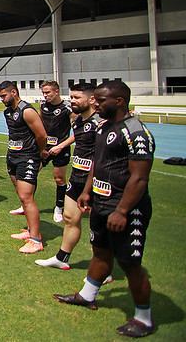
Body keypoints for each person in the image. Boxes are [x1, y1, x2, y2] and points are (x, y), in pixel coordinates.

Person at [54, 81, 156, 338]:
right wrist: (88, 190)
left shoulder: (136, 132)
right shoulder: (104, 126)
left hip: (125, 208)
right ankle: (87, 295)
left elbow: (139, 179)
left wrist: (122, 211)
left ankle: (144, 318)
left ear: (119, 101)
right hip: (100, 202)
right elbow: (97, 164)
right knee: (100, 252)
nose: (95, 104)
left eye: (101, 101)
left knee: (130, 264)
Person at [37, 83, 100, 270]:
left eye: (77, 97)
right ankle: (62, 257)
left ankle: (103, 268)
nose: (72, 101)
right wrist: (63, 145)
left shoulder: (101, 123)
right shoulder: (80, 120)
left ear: (91, 99)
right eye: (71, 97)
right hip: (77, 177)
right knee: (70, 217)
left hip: (95, 181)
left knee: (98, 227)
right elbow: (77, 135)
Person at [0, 80, 48, 254]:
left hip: (28, 158)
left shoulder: (27, 111)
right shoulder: (7, 112)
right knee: (21, 195)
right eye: (0, 96)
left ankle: (36, 240)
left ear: (14, 92)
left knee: (27, 197)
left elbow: (41, 135)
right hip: (12, 157)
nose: (2, 99)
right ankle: (30, 230)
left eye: (4, 95)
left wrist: (39, 152)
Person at [40, 80, 74, 223]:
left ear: (56, 91)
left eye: (47, 92)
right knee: (29, 175)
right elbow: (39, 126)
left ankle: (59, 207)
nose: (45, 95)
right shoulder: (43, 106)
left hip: (61, 149)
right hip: (44, 148)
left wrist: (60, 146)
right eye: (43, 93)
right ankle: (25, 204)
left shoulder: (68, 108)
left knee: (59, 179)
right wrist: (41, 147)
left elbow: (78, 133)